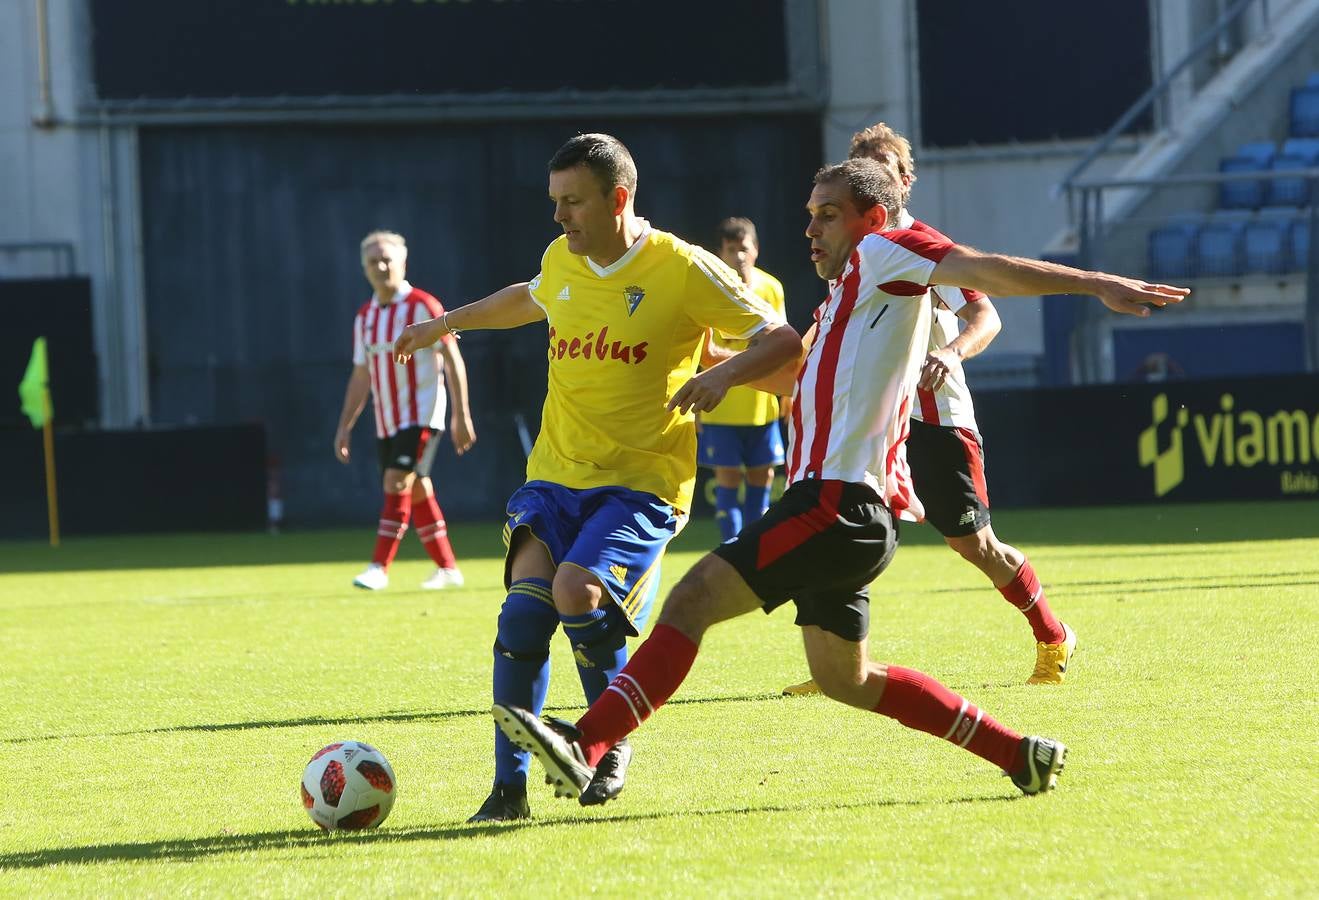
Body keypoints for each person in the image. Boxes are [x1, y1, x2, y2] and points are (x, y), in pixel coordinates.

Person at [491, 157, 1187, 802]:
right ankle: (1018, 754)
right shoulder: (841, 306)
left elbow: (988, 273)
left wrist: (1094, 283)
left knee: (691, 601)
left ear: (872, 221)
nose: (810, 228)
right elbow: (796, 374)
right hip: (848, 509)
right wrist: (717, 366)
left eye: (827, 214)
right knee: (844, 678)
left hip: (837, 502)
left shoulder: (888, 255)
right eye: (809, 213)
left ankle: (587, 742)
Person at [392, 134, 801, 821]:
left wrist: (719, 375)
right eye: (553, 202)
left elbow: (783, 340)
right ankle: (507, 791)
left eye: (571, 202)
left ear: (618, 199)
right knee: (522, 614)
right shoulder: (563, 259)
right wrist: (445, 324)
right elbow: (530, 296)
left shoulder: (682, 267)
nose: (558, 218)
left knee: (573, 591)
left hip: (641, 482)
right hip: (554, 476)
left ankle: (606, 745)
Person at [785, 122, 1074, 693]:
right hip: (873, 422)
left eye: (884, 165)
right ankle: (835, 665)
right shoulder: (851, 255)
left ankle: (1052, 633)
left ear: (903, 181)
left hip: (935, 417)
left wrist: (951, 352)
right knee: (835, 526)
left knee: (973, 544)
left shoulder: (922, 247)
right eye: (861, 164)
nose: (874, 173)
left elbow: (986, 315)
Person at [334, 230, 475, 592]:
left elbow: (452, 359)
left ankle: (379, 567)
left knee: (396, 482)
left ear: (402, 262)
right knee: (415, 489)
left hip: (423, 413)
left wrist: (462, 414)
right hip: (388, 420)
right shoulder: (364, 317)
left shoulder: (423, 305)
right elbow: (361, 374)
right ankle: (447, 568)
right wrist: (345, 426)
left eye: (387, 259)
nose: (380, 266)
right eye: (373, 261)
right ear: (363, 268)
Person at [698, 217, 791, 541]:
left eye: (744, 248)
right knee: (727, 480)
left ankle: (754, 546)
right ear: (720, 253)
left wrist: (787, 395)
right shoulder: (708, 287)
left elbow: (786, 347)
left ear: (756, 250)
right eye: (731, 249)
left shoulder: (771, 287)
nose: (738, 256)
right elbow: (702, 350)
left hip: (761, 406)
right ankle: (729, 549)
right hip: (720, 406)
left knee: (762, 477)